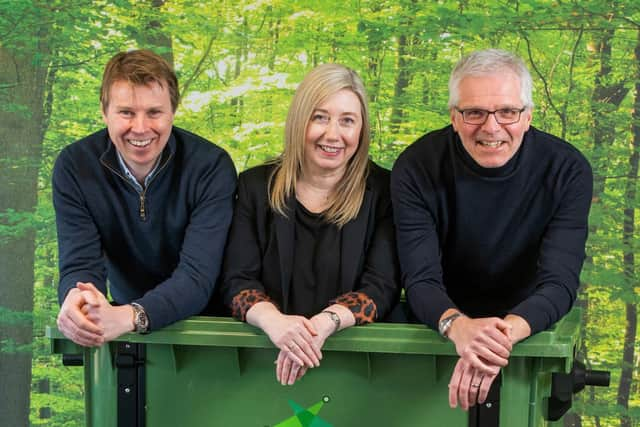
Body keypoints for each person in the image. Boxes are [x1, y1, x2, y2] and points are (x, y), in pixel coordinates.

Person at [391, 49, 592, 411]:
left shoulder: (567, 170)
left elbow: (560, 283)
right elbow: (420, 280)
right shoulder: (416, 166)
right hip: (439, 324)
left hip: (530, 325)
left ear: (528, 116)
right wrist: (458, 327)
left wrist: (494, 340)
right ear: (454, 117)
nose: (491, 127)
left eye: (507, 112)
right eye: (474, 112)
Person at [221, 63, 400, 385]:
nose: (333, 134)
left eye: (347, 121)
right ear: (299, 121)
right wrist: (276, 323)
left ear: (361, 130)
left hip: (358, 371)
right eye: (320, 117)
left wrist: (322, 325)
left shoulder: (384, 192)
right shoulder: (254, 187)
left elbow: (381, 287)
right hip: (261, 361)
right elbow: (237, 282)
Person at [53, 49, 236, 347]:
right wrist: (80, 300)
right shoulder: (75, 167)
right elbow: (80, 263)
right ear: (104, 111)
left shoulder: (210, 167)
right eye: (126, 112)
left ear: (173, 112)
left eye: (154, 112)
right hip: (126, 332)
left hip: (210, 329)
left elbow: (197, 276)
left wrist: (130, 316)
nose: (140, 128)